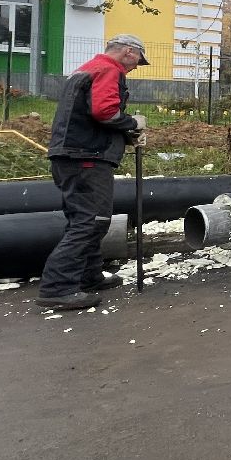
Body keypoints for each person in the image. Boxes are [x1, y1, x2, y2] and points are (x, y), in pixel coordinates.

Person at [37, 35, 149, 310]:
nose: (136, 67)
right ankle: (57, 288)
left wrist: (125, 135)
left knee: (84, 219)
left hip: (72, 156)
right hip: (87, 158)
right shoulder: (109, 69)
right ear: (128, 52)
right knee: (91, 221)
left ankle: (89, 276)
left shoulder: (86, 69)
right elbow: (104, 112)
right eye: (138, 60)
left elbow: (89, 115)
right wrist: (132, 123)